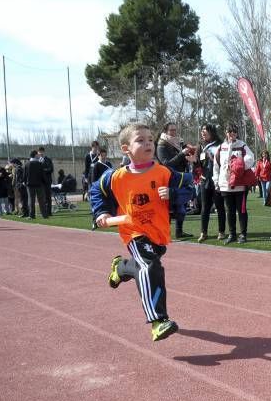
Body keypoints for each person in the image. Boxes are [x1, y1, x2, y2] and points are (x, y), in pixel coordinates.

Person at [90, 123, 192, 342]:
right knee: (151, 266)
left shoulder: (164, 172)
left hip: (158, 232)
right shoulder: (116, 177)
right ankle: (158, 320)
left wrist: (173, 194)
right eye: (141, 140)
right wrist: (101, 212)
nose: (148, 143)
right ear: (126, 149)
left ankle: (120, 267)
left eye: (150, 140)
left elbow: (189, 187)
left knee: (143, 266)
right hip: (133, 231)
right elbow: (96, 190)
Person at [156, 122, 197, 240]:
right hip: (168, 179)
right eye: (171, 130)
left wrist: (188, 155)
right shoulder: (161, 145)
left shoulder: (178, 143)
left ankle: (179, 231)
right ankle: (165, 231)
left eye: (175, 130)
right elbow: (166, 164)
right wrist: (181, 154)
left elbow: (180, 160)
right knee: (167, 207)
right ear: (166, 131)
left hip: (181, 177)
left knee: (181, 205)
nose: (174, 132)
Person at [216, 123, 254, 244]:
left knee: (241, 210)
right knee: (229, 211)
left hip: (240, 185)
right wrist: (216, 181)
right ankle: (232, 234)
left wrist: (238, 166)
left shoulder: (242, 145)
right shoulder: (221, 147)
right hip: (225, 185)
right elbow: (216, 166)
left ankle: (243, 234)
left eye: (234, 132)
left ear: (237, 133)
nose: (231, 134)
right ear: (225, 133)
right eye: (229, 131)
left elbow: (250, 158)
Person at [195, 123, 226, 243]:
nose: (203, 132)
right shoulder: (200, 146)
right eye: (202, 130)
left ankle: (221, 231)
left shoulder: (220, 145)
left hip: (216, 180)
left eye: (205, 130)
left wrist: (213, 159)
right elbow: (198, 164)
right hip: (204, 180)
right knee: (205, 207)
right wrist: (194, 162)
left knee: (219, 207)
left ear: (211, 132)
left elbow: (223, 162)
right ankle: (204, 232)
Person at [25, 150, 47, 219]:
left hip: (30, 185)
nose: (38, 155)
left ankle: (32, 215)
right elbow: (42, 175)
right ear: (35, 155)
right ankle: (44, 215)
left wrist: (25, 183)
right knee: (41, 200)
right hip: (39, 185)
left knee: (31, 201)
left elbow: (24, 176)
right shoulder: (39, 164)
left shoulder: (27, 164)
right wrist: (45, 182)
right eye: (37, 154)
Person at [37, 147, 54, 217]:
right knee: (42, 197)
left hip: (47, 181)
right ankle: (43, 212)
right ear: (38, 152)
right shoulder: (37, 160)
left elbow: (51, 169)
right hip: (40, 181)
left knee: (48, 197)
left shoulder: (48, 159)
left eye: (42, 151)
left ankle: (49, 212)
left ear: (44, 152)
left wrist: (43, 170)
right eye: (39, 152)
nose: (40, 153)